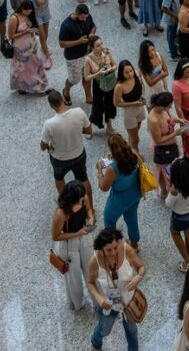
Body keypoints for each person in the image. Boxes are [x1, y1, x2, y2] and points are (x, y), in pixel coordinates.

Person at [86, 227, 146, 351]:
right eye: (108, 250)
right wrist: (99, 299)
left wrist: (138, 277)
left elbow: (141, 267)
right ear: (101, 248)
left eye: (115, 248)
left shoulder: (125, 249)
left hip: (128, 300)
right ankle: (96, 342)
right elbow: (90, 283)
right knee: (105, 329)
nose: (113, 252)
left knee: (132, 330)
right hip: (109, 301)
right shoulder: (95, 261)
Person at [52, 181, 96, 310]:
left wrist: (90, 218)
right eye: (78, 202)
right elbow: (55, 236)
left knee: (91, 270)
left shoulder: (83, 197)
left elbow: (89, 210)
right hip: (69, 243)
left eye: (82, 200)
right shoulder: (61, 213)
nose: (81, 203)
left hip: (84, 237)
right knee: (73, 278)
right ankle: (78, 304)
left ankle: (97, 300)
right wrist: (77, 233)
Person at [42, 89, 93, 193]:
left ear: (51, 106)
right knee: (83, 178)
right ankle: (90, 203)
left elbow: (43, 146)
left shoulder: (49, 124)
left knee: (59, 179)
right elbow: (89, 131)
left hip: (59, 159)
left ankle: (64, 201)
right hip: (79, 154)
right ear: (63, 99)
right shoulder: (79, 112)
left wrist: (50, 144)